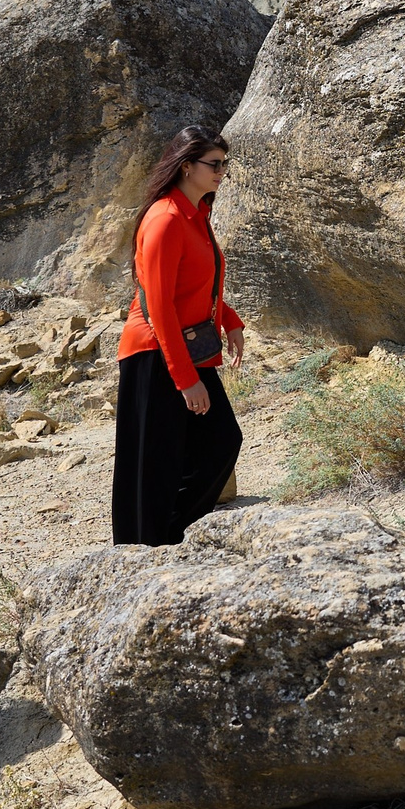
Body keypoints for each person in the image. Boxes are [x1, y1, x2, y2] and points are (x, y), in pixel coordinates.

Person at [113, 125, 247, 546]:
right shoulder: (166, 218)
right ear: (186, 166)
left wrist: (229, 318)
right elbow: (158, 305)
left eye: (225, 164)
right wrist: (185, 378)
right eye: (215, 164)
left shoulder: (197, 213)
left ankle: (170, 536)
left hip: (185, 347)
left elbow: (197, 284)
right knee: (154, 461)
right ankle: (141, 549)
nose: (222, 171)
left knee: (221, 442)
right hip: (154, 351)